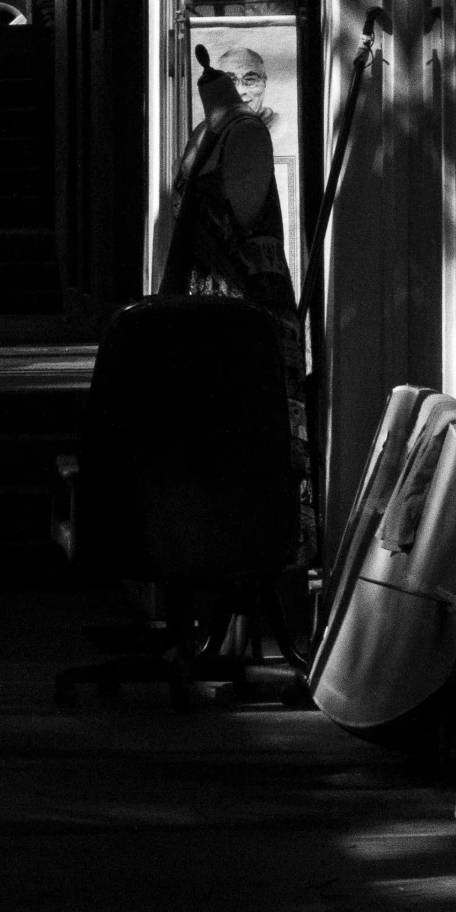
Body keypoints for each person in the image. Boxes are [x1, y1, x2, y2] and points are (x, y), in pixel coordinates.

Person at [160, 45, 315, 564]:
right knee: (215, 446)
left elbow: (244, 221)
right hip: (209, 308)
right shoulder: (204, 135)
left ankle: (254, 564)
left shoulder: (246, 134)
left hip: (247, 311)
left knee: (252, 440)